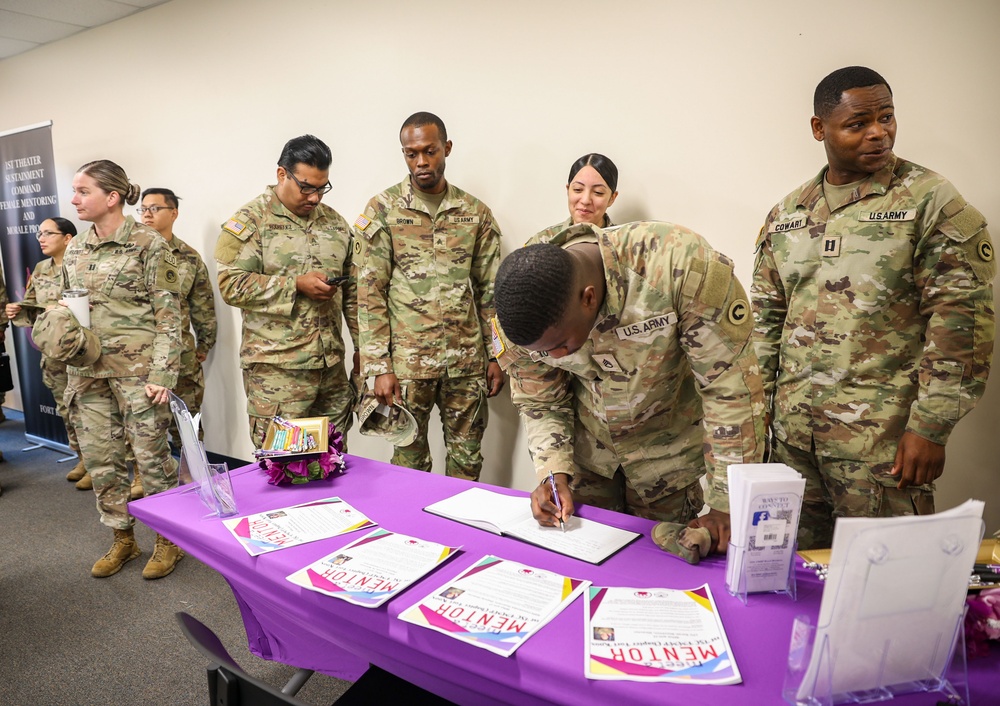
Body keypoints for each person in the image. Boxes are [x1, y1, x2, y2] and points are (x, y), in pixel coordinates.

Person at [752, 66, 996, 550]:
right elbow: (764, 326)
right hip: (793, 445)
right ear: (820, 129)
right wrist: (759, 427)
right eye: (858, 122)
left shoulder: (929, 201)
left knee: (885, 584)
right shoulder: (787, 215)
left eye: (887, 117)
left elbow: (961, 320)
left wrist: (931, 425)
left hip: (881, 447)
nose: (878, 132)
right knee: (793, 578)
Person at [493, 222, 766, 554]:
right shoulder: (522, 301)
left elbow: (729, 388)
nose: (554, 358)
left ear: (588, 298)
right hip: (590, 459)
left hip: (667, 459)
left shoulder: (679, 266)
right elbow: (542, 402)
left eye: (561, 346)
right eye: (543, 353)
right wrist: (553, 473)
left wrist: (727, 500)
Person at [354, 112, 504, 481]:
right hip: (407, 366)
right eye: (411, 153)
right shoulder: (383, 210)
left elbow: (491, 293)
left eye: (430, 151)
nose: (421, 162)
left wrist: (498, 355)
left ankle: (462, 535)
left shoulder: (475, 213)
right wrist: (379, 367)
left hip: (466, 363)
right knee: (409, 466)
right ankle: (411, 536)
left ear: (446, 149)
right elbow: (369, 292)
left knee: (467, 462)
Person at [63, 159, 184, 579]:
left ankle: (169, 541)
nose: (74, 199)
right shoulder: (76, 247)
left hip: (139, 377)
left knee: (152, 461)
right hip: (89, 374)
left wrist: (163, 375)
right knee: (103, 461)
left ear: (111, 197)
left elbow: (169, 316)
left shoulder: (150, 245)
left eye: (83, 191)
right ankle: (123, 540)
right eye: (75, 191)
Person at [216, 135, 357, 448]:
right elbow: (231, 284)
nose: (315, 197)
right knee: (283, 466)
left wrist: (364, 354)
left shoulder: (336, 225)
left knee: (333, 464)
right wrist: (295, 285)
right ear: (282, 175)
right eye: (307, 187)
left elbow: (356, 295)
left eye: (322, 187)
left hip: (330, 370)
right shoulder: (251, 221)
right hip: (277, 374)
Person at [137, 187, 217, 499]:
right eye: (143, 208)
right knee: (142, 423)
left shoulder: (187, 257)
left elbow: (203, 305)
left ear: (174, 213)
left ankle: (190, 475)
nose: (146, 214)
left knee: (187, 419)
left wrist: (204, 344)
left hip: (180, 355)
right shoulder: (129, 255)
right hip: (137, 358)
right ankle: (144, 478)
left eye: (155, 208)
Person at [5, 218, 91, 489]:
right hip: (53, 353)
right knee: (66, 408)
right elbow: (33, 307)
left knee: (91, 408)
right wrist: (17, 309)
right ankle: (83, 459)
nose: (41, 238)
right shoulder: (41, 269)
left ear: (67, 238)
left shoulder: (83, 266)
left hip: (82, 351)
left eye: (48, 233)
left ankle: (102, 465)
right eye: (39, 234)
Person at [535, 153, 619, 242]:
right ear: (568, 190)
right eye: (578, 189)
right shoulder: (543, 241)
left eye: (598, 192)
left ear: (612, 198)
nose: (585, 200)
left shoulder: (624, 244)